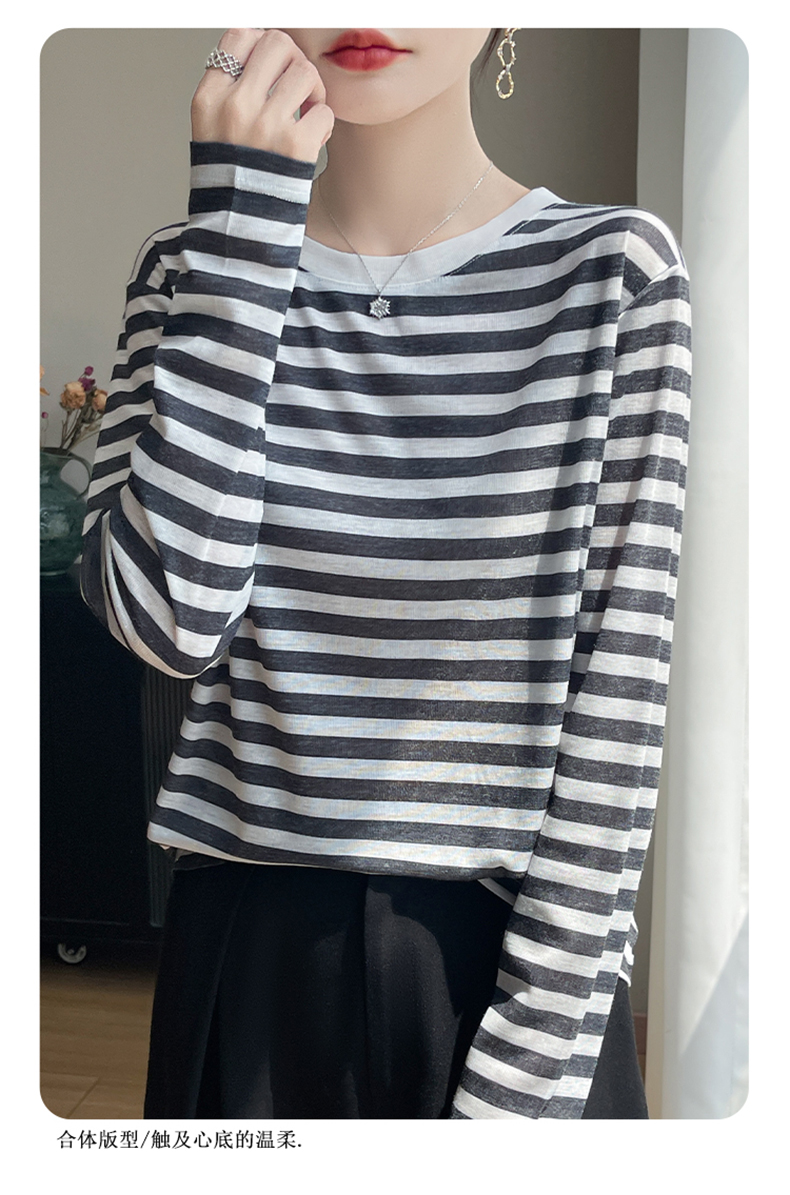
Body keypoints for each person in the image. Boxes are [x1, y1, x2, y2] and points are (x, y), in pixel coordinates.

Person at [80, 27, 691, 1120]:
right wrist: (240, 239)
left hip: (511, 965)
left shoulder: (614, 273)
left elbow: (620, 706)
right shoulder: (190, 266)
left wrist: (520, 1089)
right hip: (245, 957)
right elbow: (169, 623)